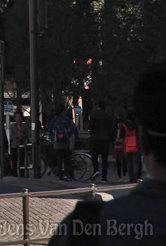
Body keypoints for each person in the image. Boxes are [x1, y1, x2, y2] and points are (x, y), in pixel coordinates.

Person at [47, 61, 166, 245]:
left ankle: (96, 173)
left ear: (143, 138)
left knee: (89, 159)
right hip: (102, 141)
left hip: (93, 141)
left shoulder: (87, 229)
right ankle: (99, 173)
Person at [89, 100, 115, 182]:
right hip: (105, 139)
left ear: (98, 107)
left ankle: (96, 170)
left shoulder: (94, 115)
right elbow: (111, 129)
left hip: (95, 138)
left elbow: (90, 126)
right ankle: (104, 177)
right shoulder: (108, 116)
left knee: (94, 156)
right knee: (104, 158)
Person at [49, 105, 77, 181]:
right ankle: (68, 174)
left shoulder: (55, 120)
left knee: (59, 158)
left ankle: (60, 174)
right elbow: (73, 128)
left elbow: (50, 130)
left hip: (57, 142)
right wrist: (68, 135)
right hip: (66, 141)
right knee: (67, 158)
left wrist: (53, 137)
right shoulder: (67, 119)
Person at [119, 111, 142, 183]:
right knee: (136, 162)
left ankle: (131, 178)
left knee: (129, 163)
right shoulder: (137, 124)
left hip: (127, 146)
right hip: (136, 145)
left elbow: (121, 136)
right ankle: (136, 176)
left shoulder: (124, 125)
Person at [11, 111, 28, 177]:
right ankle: (14, 174)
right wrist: (16, 136)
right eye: (16, 117)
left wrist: (23, 135)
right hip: (15, 145)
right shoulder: (13, 126)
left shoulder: (24, 126)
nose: (17, 118)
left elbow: (28, 134)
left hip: (22, 145)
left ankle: (22, 174)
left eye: (19, 116)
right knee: (14, 160)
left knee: (22, 160)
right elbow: (11, 136)